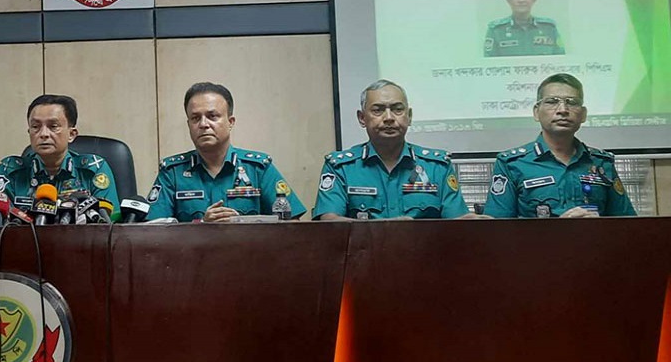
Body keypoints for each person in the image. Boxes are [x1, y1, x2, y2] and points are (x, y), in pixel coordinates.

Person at [313, 80, 475, 220]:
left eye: (397, 109)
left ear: (409, 116)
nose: (389, 118)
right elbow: (330, 222)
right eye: (378, 110)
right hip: (364, 248)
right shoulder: (341, 168)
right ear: (362, 118)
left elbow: (456, 224)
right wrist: (387, 228)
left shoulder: (437, 167)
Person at [146, 82, 305, 223]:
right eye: (195, 118)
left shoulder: (258, 169)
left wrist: (241, 225)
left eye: (212, 116)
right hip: (193, 249)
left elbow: (292, 224)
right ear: (189, 125)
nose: (203, 124)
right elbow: (153, 231)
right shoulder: (172, 173)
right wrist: (201, 225)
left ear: (230, 122)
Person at [484, 73, 635, 218]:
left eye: (572, 102)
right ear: (536, 112)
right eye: (552, 102)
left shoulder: (601, 163)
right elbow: (497, 230)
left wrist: (597, 225)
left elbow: (627, 225)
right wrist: (559, 229)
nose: (563, 110)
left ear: (583, 114)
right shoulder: (512, 164)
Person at [0, 94, 119, 216]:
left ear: (71, 134)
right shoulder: (10, 172)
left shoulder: (93, 170)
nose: (43, 134)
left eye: (53, 126)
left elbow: (110, 223)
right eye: (35, 127)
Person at [484, 0, 564, 57]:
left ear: (533, 0)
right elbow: (489, 62)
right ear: (508, 1)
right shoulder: (496, 31)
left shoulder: (549, 29)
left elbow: (561, 59)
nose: (521, 0)